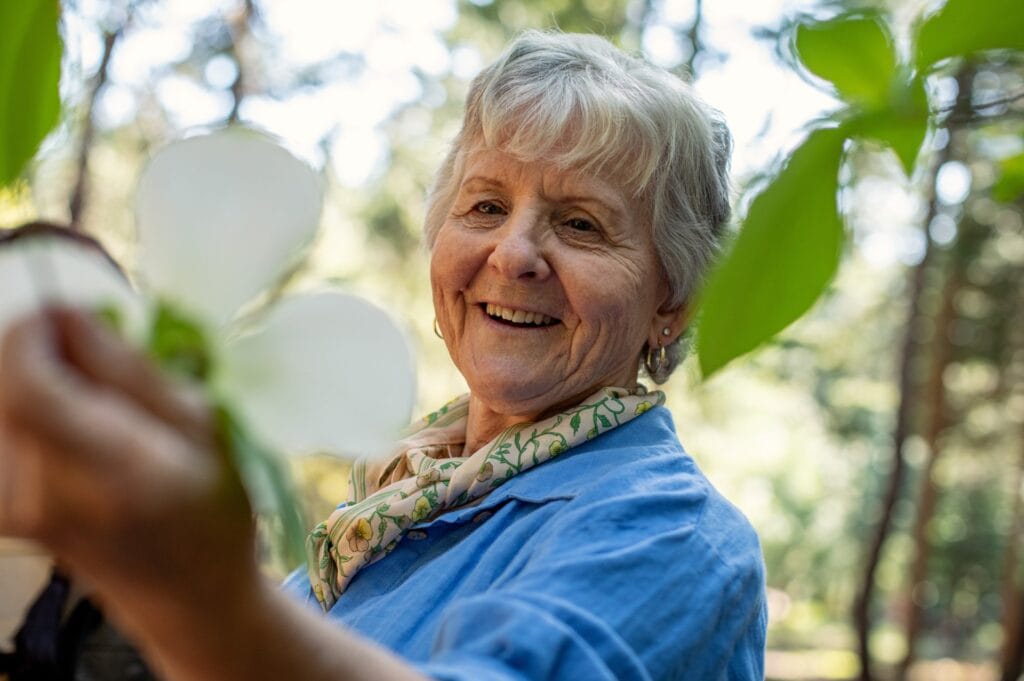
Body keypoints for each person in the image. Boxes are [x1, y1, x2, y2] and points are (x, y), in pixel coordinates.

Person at [0, 30, 766, 680]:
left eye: (582, 224)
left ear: (673, 302)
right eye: (486, 206)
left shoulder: (675, 536)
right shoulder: (398, 503)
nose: (514, 253)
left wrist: (206, 593)